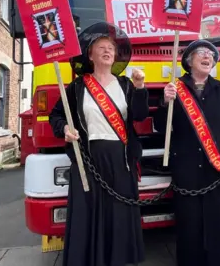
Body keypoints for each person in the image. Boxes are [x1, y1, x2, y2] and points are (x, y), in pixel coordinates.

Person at [49, 21, 148, 266]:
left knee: (118, 214)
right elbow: (56, 115)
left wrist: (140, 87)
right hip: (89, 159)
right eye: (101, 47)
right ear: (90, 55)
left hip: (121, 158)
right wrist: (64, 128)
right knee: (90, 213)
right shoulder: (78, 87)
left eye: (111, 48)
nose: (107, 51)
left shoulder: (125, 84)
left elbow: (140, 115)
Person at [153, 40, 220, 266]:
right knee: (190, 230)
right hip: (186, 171)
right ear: (189, 61)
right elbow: (160, 127)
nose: (208, 57)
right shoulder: (175, 88)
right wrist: (166, 103)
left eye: (211, 55)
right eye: (201, 53)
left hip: (217, 172)